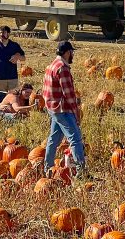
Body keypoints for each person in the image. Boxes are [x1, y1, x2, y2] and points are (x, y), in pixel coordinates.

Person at [42, 41, 84, 173]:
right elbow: (69, 94)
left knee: (54, 139)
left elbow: (44, 90)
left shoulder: (51, 65)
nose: (73, 55)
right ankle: (81, 171)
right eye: (72, 52)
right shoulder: (62, 68)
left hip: (52, 107)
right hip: (62, 109)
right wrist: (76, 111)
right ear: (67, 53)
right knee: (75, 139)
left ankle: (47, 168)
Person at [0, 25, 26, 93]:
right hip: (0, 78)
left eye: (3, 33)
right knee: (2, 99)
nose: (1, 35)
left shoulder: (14, 45)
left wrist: (17, 57)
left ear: (8, 34)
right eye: (0, 33)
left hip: (13, 77)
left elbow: (23, 58)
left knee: (13, 97)